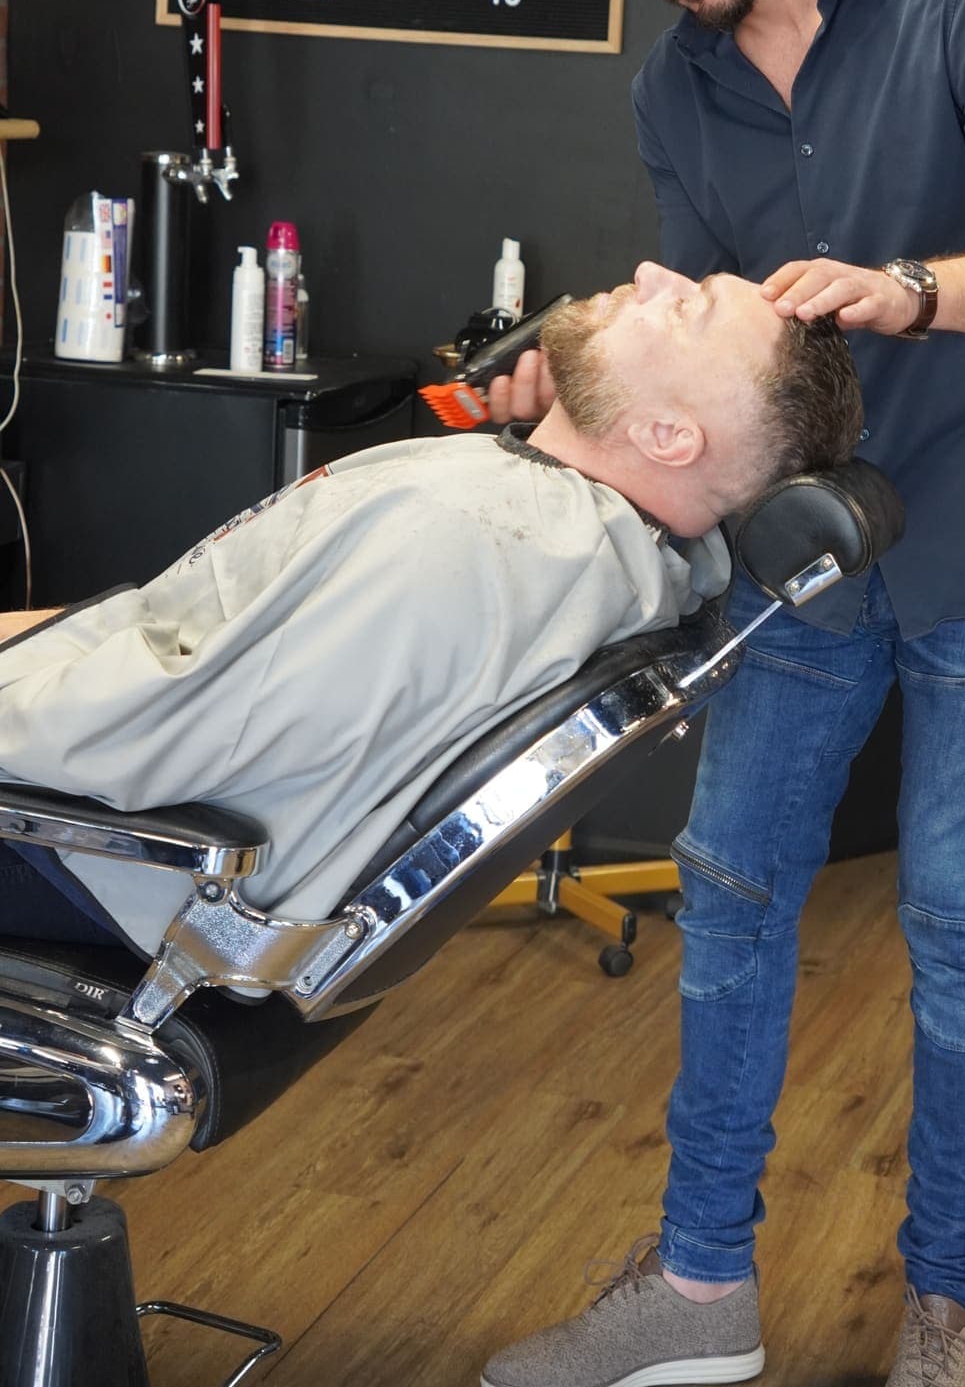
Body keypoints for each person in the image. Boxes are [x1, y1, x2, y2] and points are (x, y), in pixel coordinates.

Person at [481, 0, 965, 1387]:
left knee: (960, 925)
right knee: (735, 891)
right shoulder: (672, 85)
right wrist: (576, 382)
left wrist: (907, 287)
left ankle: (948, 1320)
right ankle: (699, 1284)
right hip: (803, 556)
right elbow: (691, 355)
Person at [0, 264, 861, 955]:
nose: (650, 273)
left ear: (669, 437)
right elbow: (192, 649)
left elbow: (141, 740)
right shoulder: (590, 550)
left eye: (689, 310)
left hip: (92, 865)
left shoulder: (463, 538)